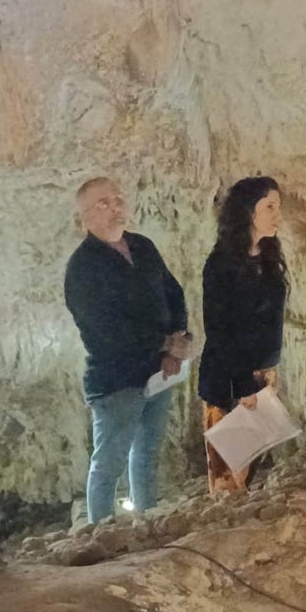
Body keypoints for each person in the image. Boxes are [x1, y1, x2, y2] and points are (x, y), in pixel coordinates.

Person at [64, 176, 191, 523]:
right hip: (117, 380)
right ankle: (100, 536)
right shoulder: (83, 269)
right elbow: (107, 331)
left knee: (147, 454)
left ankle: (146, 523)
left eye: (118, 199)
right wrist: (165, 343)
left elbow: (174, 293)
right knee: (109, 464)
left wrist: (176, 343)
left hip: (158, 371)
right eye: (104, 203)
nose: (115, 207)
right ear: (84, 218)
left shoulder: (143, 247)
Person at [199, 177, 288, 493]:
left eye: (278, 206)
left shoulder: (266, 260)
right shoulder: (222, 265)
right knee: (228, 472)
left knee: (247, 466)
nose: (277, 214)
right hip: (229, 380)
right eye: (269, 207)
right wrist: (244, 385)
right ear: (247, 212)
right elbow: (221, 330)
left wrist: (265, 378)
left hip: (259, 377)